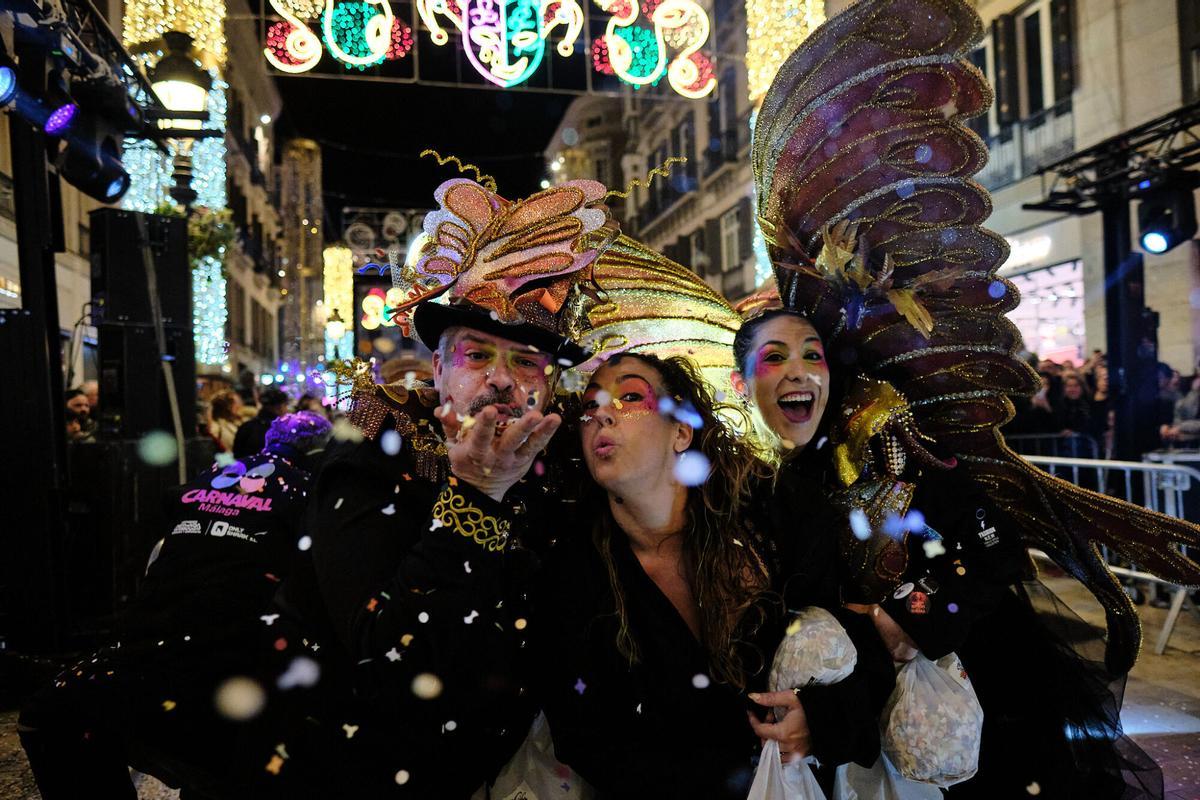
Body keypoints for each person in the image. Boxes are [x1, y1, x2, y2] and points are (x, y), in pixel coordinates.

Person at [250, 174, 616, 797]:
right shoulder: (370, 457)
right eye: (477, 356)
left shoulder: (559, 474)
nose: (502, 380)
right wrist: (476, 492)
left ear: (550, 386)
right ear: (440, 369)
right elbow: (385, 649)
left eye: (526, 362)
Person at [534, 352, 893, 798]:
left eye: (629, 396)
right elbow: (584, 736)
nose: (601, 414)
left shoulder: (776, 518)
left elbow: (863, 649)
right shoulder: (573, 574)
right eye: (589, 407)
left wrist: (817, 722)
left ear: (681, 431)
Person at [19, 412, 333, 799]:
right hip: (228, 686)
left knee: (46, 716)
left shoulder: (210, 479)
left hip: (135, 665)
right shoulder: (311, 494)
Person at [233, 387, 290, 458]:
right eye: (285, 405)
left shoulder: (246, 427)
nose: (287, 410)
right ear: (278, 407)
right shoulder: (281, 430)